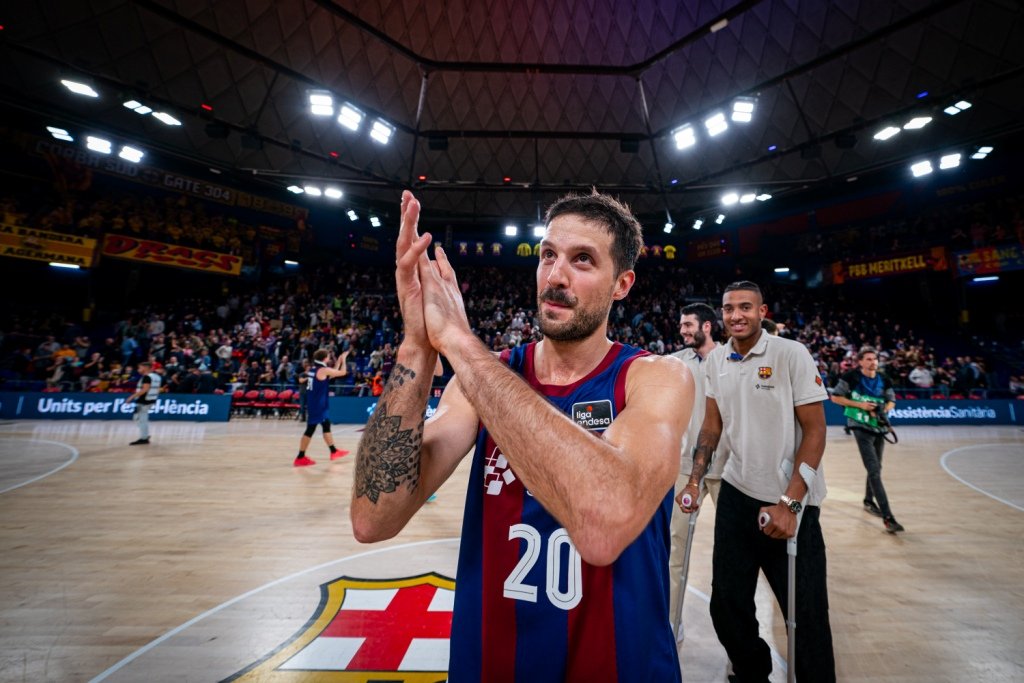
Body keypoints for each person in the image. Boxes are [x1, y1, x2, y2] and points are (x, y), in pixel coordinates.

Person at [351, 190, 694, 681]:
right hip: (490, 665)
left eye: (582, 260)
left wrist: (458, 341)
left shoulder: (656, 378)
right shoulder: (486, 379)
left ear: (622, 283)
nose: (555, 276)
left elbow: (604, 525)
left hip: (620, 666)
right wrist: (417, 344)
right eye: (548, 255)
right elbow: (372, 518)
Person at [680, 280, 835, 683]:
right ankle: (752, 672)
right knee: (727, 606)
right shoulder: (716, 362)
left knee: (805, 615)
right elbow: (711, 430)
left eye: (745, 307)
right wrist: (695, 481)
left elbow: (816, 431)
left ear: (762, 312)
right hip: (736, 493)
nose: (736, 315)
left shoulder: (791, 354)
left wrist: (792, 504)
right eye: (729, 308)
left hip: (791, 503)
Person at [667, 302, 724, 639]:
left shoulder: (730, 359)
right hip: (685, 468)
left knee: (735, 553)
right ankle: (671, 625)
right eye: (681, 324)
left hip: (727, 470)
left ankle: (737, 641)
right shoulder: (674, 363)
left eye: (688, 324)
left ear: (707, 326)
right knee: (675, 550)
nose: (683, 330)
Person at [830, 347, 904, 533]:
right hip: (859, 425)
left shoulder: (884, 379)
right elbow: (835, 397)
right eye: (869, 359)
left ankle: (868, 500)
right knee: (873, 469)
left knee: (876, 468)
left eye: (875, 359)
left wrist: (883, 409)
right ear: (860, 361)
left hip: (878, 426)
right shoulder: (850, 377)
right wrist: (860, 405)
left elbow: (891, 400)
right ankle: (888, 517)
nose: (873, 362)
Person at [293, 348, 350, 467]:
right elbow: (342, 373)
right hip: (318, 406)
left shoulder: (314, 370)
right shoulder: (323, 370)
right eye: (328, 356)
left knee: (325, 426)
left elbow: (332, 372)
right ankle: (300, 457)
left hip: (314, 404)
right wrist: (344, 360)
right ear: (325, 358)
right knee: (311, 430)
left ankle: (333, 451)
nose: (329, 357)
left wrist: (338, 361)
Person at [124, 360, 162, 446]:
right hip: (151, 399)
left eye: (140, 368)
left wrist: (132, 397)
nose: (138, 369)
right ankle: (145, 435)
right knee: (139, 418)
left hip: (143, 400)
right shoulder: (157, 377)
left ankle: (144, 438)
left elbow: (145, 389)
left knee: (141, 419)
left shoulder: (147, 377)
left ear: (145, 368)